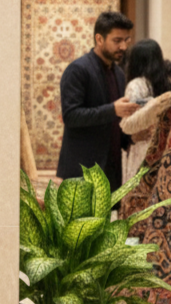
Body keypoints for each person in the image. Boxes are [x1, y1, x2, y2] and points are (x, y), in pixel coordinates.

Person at [56, 10, 139, 191]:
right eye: (117, 40)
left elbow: (114, 123)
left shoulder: (118, 73)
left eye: (126, 40)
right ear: (99, 39)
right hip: (82, 169)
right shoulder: (78, 70)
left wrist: (130, 138)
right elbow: (71, 116)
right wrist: (113, 110)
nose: (123, 46)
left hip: (111, 169)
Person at [120, 39, 171, 182]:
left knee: (139, 190)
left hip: (142, 147)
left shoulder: (136, 85)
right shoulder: (167, 84)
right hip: (163, 146)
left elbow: (129, 123)